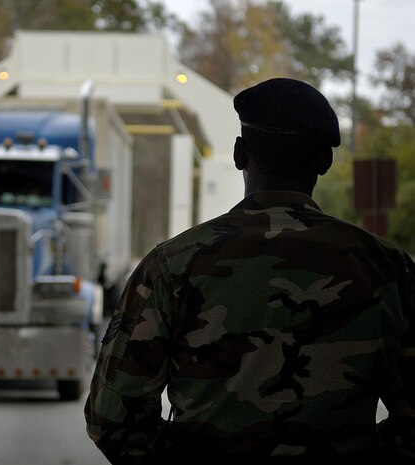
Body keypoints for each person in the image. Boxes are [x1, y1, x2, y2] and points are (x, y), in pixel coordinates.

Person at [84, 77, 415, 463]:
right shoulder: (388, 268)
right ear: (325, 162)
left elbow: (112, 418)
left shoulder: (173, 265)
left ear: (240, 153)